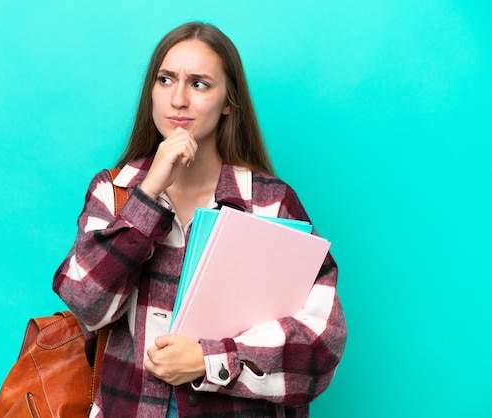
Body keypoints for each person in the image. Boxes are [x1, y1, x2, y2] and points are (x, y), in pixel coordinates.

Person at [53, 21, 346, 417]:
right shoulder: (115, 191)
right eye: (166, 79)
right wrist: (149, 194)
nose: (178, 100)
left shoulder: (270, 202)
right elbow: (88, 304)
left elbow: (320, 342)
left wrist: (210, 359)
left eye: (199, 84)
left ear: (228, 101)